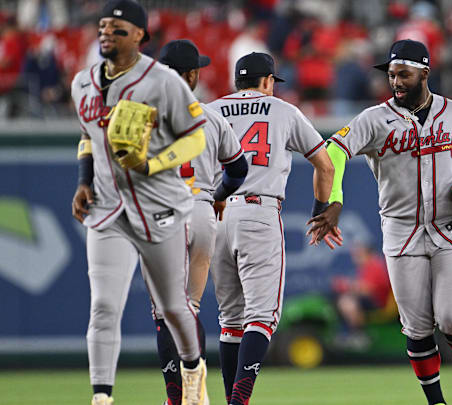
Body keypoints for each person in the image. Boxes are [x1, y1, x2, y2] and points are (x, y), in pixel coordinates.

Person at [309, 39, 452, 405]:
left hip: (450, 229)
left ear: (425, 73)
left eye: (403, 73)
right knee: (417, 329)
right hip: (401, 234)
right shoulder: (373, 118)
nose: (396, 81)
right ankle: (436, 401)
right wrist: (332, 199)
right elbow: (332, 153)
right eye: (391, 74)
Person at [70, 2, 210, 404]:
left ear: (139, 36)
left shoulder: (164, 81)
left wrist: (153, 163)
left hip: (158, 207)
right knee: (103, 306)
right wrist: (83, 181)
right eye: (102, 26)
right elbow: (88, 138)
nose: (105, 33)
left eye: (116, 28)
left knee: (173, 308)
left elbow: (196, 136)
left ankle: (192, 368)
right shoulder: (82, 83)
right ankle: (101, 396)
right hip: (107, 208)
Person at [206, 51, 338, 405]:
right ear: (268, 82)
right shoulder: (283, 110)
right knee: (261, 318)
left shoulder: (212, 110)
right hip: (259, 212)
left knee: (230, 320)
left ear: (237, 82)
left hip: (216, 213)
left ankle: (230, 399)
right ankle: (239, 401)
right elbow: (325, 165)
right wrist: (319, 210)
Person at [154, 39, 250, 405]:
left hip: (165, 212)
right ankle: (197, 392)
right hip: (203, 210)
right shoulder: (212, 116)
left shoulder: (144, 112)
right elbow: (239, 169)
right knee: (190, 307)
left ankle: (177, 397)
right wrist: (220, 194)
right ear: (192, 75)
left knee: (166, 311)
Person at [332, 242, 392, 346]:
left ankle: (359, 335)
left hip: (378, 303)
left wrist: (347, 285)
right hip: (370, 300)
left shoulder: (375, 265)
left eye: (358, 254)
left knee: (347, 302)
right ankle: (348, 334)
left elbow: (369, 289)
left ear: (366, 253)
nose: (355, 257)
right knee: (344, 300)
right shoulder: (366, 266)